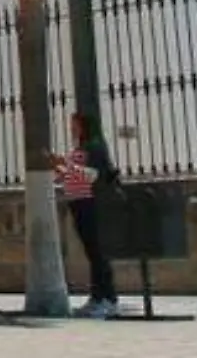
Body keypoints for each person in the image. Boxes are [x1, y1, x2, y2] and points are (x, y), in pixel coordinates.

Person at [53, 113, 120, 319]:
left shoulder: (95, 147)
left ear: (84, 126)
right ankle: (97, 297)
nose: (71, 128)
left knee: (98, 252)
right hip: (78, 203)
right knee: (92, 252)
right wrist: (60, 169)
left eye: (75, 124)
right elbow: (75, 174)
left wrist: (65, 163)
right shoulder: (81, 148)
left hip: (91, 203)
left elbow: (93, 175)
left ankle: (108, 299)